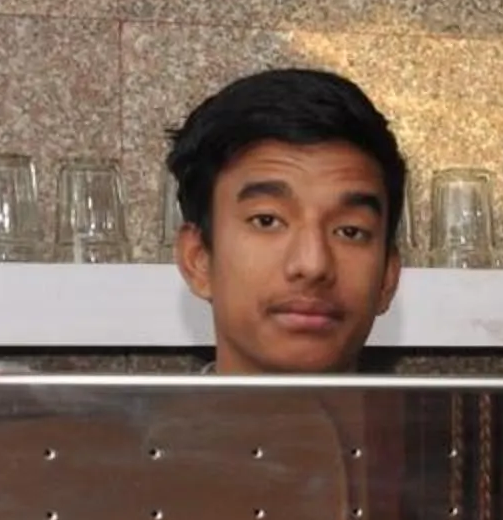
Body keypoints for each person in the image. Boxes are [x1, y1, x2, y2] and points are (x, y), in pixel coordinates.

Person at [165, 68, 407, 376]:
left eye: (350, 231)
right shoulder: (128, 426)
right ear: (198, 260)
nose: (313, 264)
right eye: (267, 221)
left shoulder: (443, 426)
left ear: (388, 276)